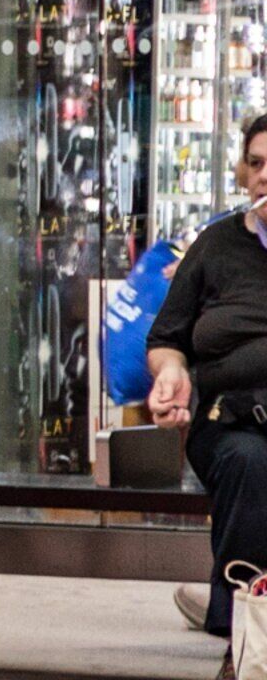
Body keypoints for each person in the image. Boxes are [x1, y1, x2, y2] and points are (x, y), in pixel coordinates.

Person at [150, 113, 267, 645]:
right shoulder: (216, 244)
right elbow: (166, 338)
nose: (265, 175)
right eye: (257, 164)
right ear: (243, 174)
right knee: (249, 460)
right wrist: (172, 373)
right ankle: (240, 620)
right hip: (230, 419)